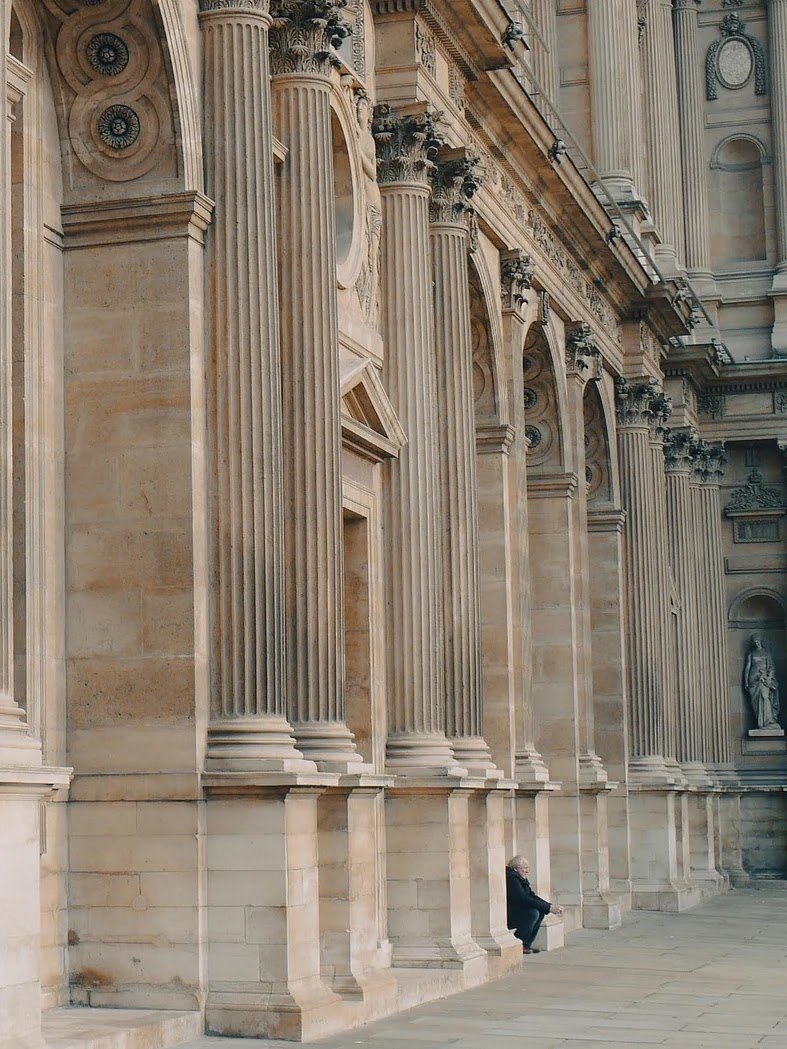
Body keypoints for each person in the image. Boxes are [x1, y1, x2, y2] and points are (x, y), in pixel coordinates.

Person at [505, 855, 563, 955]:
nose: (527, 871)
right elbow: (523, 899)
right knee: (533, 913)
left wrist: (549, 906)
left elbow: (532, 896)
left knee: (540, 912)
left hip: (516, 911)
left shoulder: (520, 879)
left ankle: (526, 944)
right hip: (509, 914)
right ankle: (519, 942)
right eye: (525, 868)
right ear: (516, 868)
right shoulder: (512, 879)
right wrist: (549, 908)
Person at [743, 634, 780, 729]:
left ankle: (768, 721)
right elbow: (747, 667)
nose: (757, 644)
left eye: (758, 642)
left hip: (764, 678)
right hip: (753, 678)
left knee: (765, 696)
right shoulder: (751, 653)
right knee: (755, 702)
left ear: (761, 641)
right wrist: (746, 681)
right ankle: (760, 722)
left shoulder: (766, 653)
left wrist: (769, 677)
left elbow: (771, 666)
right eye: (755, 642)